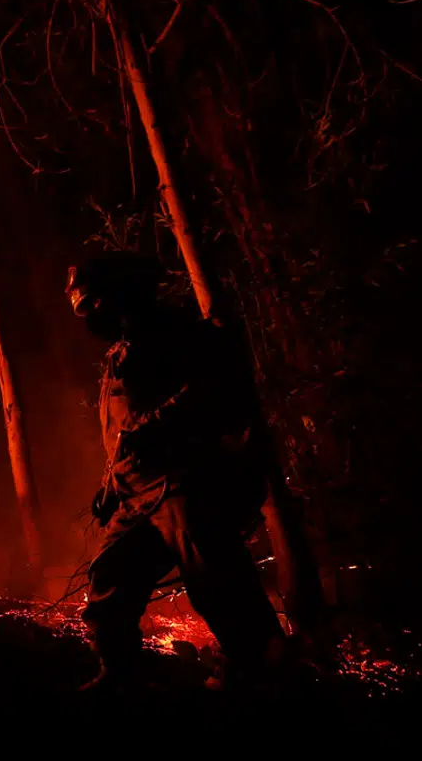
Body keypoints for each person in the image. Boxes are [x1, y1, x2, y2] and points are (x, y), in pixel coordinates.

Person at [68, 253, 284, 689]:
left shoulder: (180, 335)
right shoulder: (122, 354)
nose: (92, 317)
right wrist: (111, 485)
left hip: (187, 487)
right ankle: (120, 677)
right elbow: (125, 431)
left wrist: (152, 431)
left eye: (95, 303)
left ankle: (265, 680)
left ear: (121, 293)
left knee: (219, 585)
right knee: (110, 578)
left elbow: (209, 395)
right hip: (139, 497)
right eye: (84, 308)